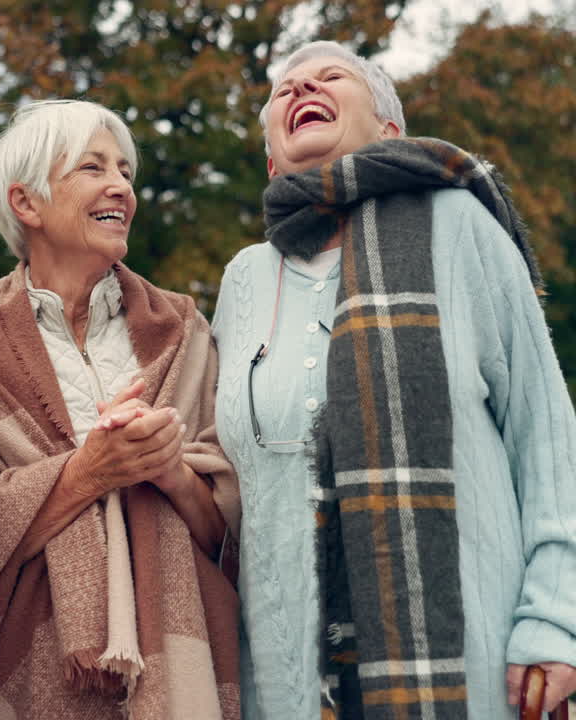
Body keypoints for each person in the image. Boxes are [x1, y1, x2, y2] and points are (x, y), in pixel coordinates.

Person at [211, 40, 576, 719]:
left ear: (390, 133)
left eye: (331, 78)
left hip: (466, 662)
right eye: (285, 88)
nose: (303, 89)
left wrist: (554, 616)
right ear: (270, 158)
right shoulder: (243, 280)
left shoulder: (459, 226)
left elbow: (546, 434)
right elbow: (235, 481)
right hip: (286, 678)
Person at [0, 99, 241, 719]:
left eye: (126, 172)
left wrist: (171, 472)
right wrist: (90, 472)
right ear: (25, 203)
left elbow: (233, 531)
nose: (121, 187)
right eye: (92, 168)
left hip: (180, 662)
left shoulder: (185, 331)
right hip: (27, 670)